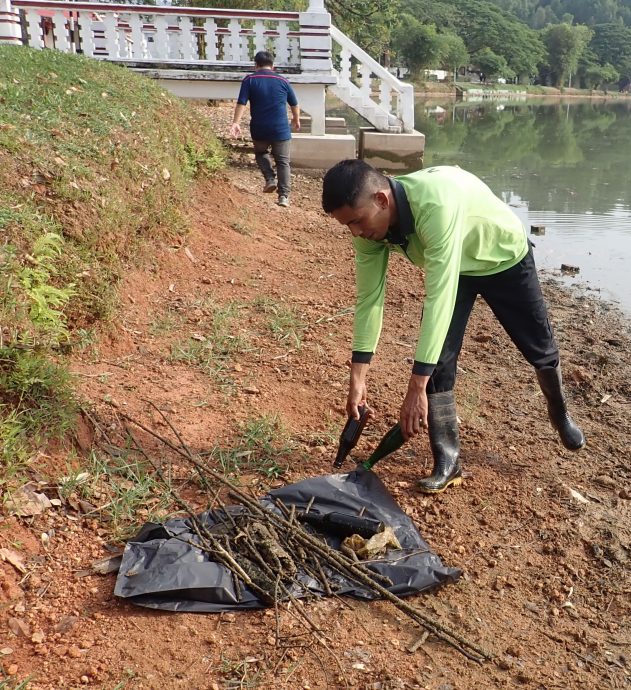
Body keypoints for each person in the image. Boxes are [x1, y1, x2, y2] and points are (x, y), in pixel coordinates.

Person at [321, 160, 585, 494]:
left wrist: (416, 388)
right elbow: (369, 299)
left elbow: (438, 298)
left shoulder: (434, 205)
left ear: (382, 200)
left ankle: (560, 415)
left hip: (501, 256)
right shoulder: (367, 229)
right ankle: (448, 459)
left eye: (357, 222)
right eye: (348, 226)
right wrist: (357, 379)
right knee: (440, 363)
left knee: (539, 348)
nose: (355, 233)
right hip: (455, 270)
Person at [230, 51, 300, 208]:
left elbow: (242, 103)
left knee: (261, 153)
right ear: (273, 66)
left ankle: (269, 179)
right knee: (283, 161)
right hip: (281, 129)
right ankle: (284, 197)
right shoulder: (283, 80)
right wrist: (296, 119)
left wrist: (236, 122)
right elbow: (294, 104)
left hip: (259, 128)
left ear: (255, 65)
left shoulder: (249, 80)